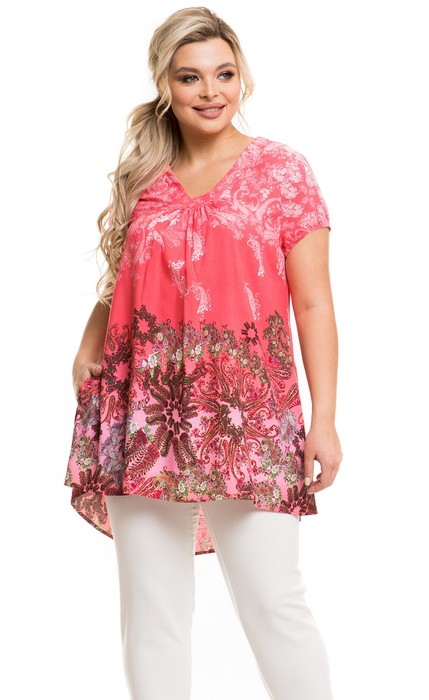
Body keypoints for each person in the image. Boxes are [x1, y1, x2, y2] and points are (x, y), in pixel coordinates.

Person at [64, 6, 342, 700]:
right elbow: (121, 279)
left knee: (273, 602)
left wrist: (324, 419)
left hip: (247, 416)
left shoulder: (281, 171)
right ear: (164, 83)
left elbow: (313, 303)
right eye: (190, 77)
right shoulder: (144, 176)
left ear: (241, 76)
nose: (210, 91)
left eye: (223, 74)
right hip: (144, 414)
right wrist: (89, 338)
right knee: (151, 615)